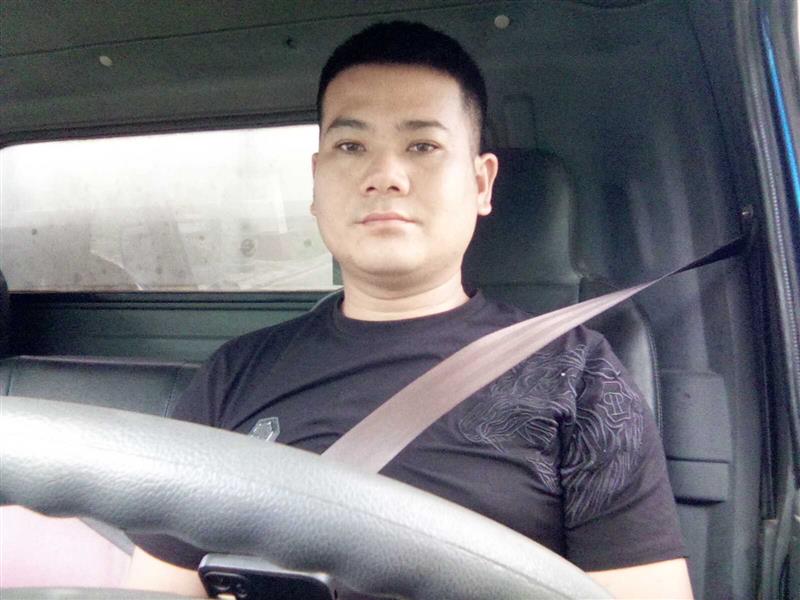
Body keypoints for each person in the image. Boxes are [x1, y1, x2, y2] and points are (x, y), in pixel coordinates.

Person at [126, 21, 694, 599]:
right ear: (317, 181)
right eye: (351, 146)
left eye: (423, 146)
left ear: (481, 183)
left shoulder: (580, 378)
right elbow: (161, 588)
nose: (385, 177)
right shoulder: (233, 375)